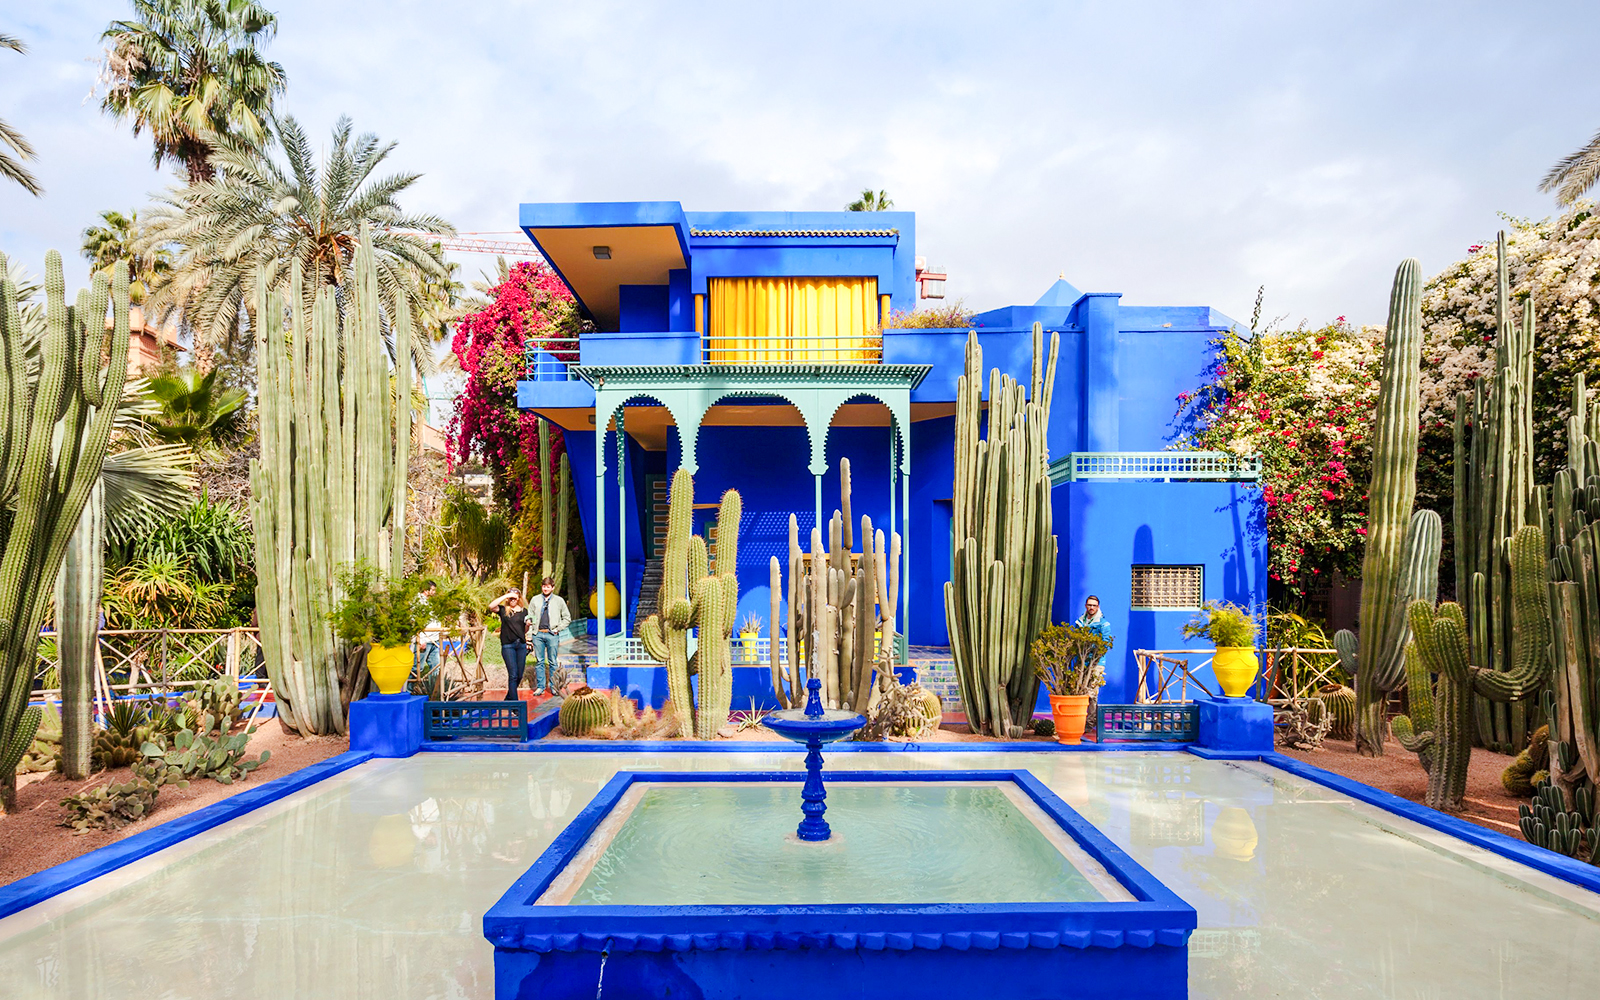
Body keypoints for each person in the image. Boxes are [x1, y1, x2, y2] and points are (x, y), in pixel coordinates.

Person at [527, 576, 572, 695]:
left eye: (548, 587)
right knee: (539, 661)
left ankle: (554, 686)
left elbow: (567, 618)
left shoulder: (559, 601)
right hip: (538, 634)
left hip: (552, 634)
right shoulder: (535, 600)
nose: (545, 589)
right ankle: (540, 687)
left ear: (552, 588)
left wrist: (558, 629)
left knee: (553, 661)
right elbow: (530, 616)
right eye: (544, 586)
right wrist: (530, 634)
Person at [488, 588, 530, 696]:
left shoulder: (524, 611)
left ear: (519, 598)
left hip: (521, 645)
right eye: (510, 598)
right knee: (513, 675)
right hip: (508, 646)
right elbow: (491, 606)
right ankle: (515, 707)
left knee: (519, 675)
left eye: (515, 597)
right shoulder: (503, 610)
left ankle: (508, 700)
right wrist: (506, 596)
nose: (513, 600)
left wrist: (528, 626)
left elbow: (524, 630)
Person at [414, 581, 442, 695]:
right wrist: (421, 639)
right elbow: (415, 621)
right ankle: (410, 690)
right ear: (426, 590)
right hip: (425, 639)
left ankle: (434, 692)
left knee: (436, 667)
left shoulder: (431, 602)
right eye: (433, 590)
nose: (434, 592)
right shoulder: (418, 602)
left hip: (434, 639)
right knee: (417, 668)